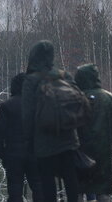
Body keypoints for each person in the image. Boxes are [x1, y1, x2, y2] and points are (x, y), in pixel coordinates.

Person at [21, 40, 81, 202]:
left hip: (44, 139)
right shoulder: (65, 76)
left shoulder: (31, 80)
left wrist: (28, 140)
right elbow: (78, 102)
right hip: (68, 136)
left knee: (47, 180)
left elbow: (27, 114)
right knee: (70, 177)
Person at [74, 64, 112, 202]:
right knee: (102, 189)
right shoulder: (108, 98)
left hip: (80, 150)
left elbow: (70, 124)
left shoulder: (77, 98)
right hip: (103, 150)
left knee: (77, 189)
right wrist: (111, 144)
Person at [0, 72, 42, 202]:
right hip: (35, 153)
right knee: (39, 188)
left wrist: (4, 155)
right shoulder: (37, 105)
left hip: (13, 154)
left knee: (15, 190)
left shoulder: (7, 106)